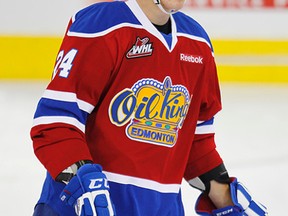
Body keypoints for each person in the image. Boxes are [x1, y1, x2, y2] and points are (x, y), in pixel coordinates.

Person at [31, 0, 268, 215]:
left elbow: (194, 140)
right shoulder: (101, 26)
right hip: (83, 207)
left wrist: (224, 195)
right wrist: (84, 185)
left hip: (162, 209)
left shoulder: (197, 43)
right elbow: (55, 123)